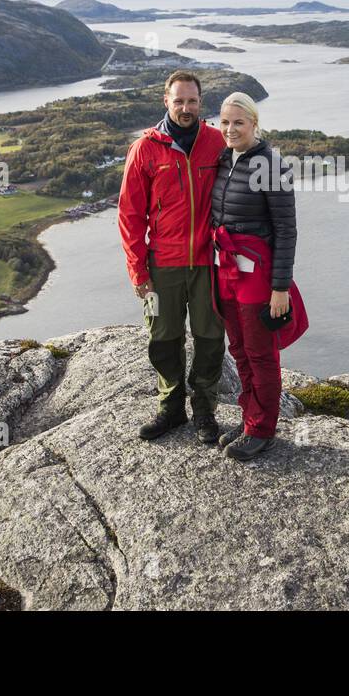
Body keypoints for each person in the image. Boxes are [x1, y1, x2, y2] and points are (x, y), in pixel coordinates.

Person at [117, 71, 227, 444]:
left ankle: (204, 408)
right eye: (178, 101)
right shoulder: (145, 148)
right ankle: (172, 406)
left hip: (208, 263)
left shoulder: (216, 142)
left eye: (192, 101)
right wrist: (137, 271)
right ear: (166, 101)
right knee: (162, 338)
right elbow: (129, 216)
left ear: (201, 102)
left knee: (211, 337)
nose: (185, 108)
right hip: (161, 264)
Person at [210, 92, 297, 461]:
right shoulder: (225, 159)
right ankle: (250, 419)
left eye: (238, 123)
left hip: (257, 275)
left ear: (254, 124)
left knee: (261, 355)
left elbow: (286, 230)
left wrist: (280, 288)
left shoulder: (270, 165)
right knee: (239, 349)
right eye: (225, 122)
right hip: (227, 270)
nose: (230, 129)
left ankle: (263, 429)